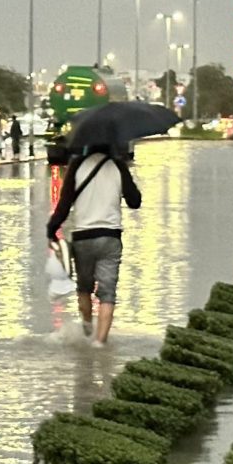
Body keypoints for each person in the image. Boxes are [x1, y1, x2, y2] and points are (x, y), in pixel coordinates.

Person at [46, 145, 143, 343]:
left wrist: (52, 229)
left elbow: (64, 205)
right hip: (110, 237)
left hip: (83, 237)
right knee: (108, 292)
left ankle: (88, 327)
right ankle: (100, 344)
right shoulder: (118, 166)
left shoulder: (76, 166)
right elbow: (135, 201)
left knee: (84, 288)